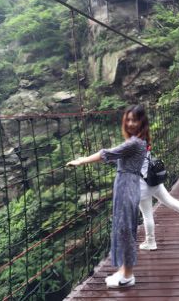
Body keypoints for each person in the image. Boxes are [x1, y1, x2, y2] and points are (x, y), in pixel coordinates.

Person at [67, 105, 149, 288]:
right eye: (128, 120)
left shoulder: (134, 143)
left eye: (134, 120)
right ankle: (123, 269)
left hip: (126, 185)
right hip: (127, 184)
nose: (130, 123)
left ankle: (127, 276)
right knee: (122, 227)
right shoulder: (139, 141)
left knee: (125, 229)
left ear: (142, 122)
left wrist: (82, 160)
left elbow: (107, 153)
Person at [138, 147, 179, 251]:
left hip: (142, 185)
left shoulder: (131, 145)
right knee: (170, 200)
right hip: (154, 180)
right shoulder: (144, 141)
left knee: (147, 215)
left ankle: (151, 242)